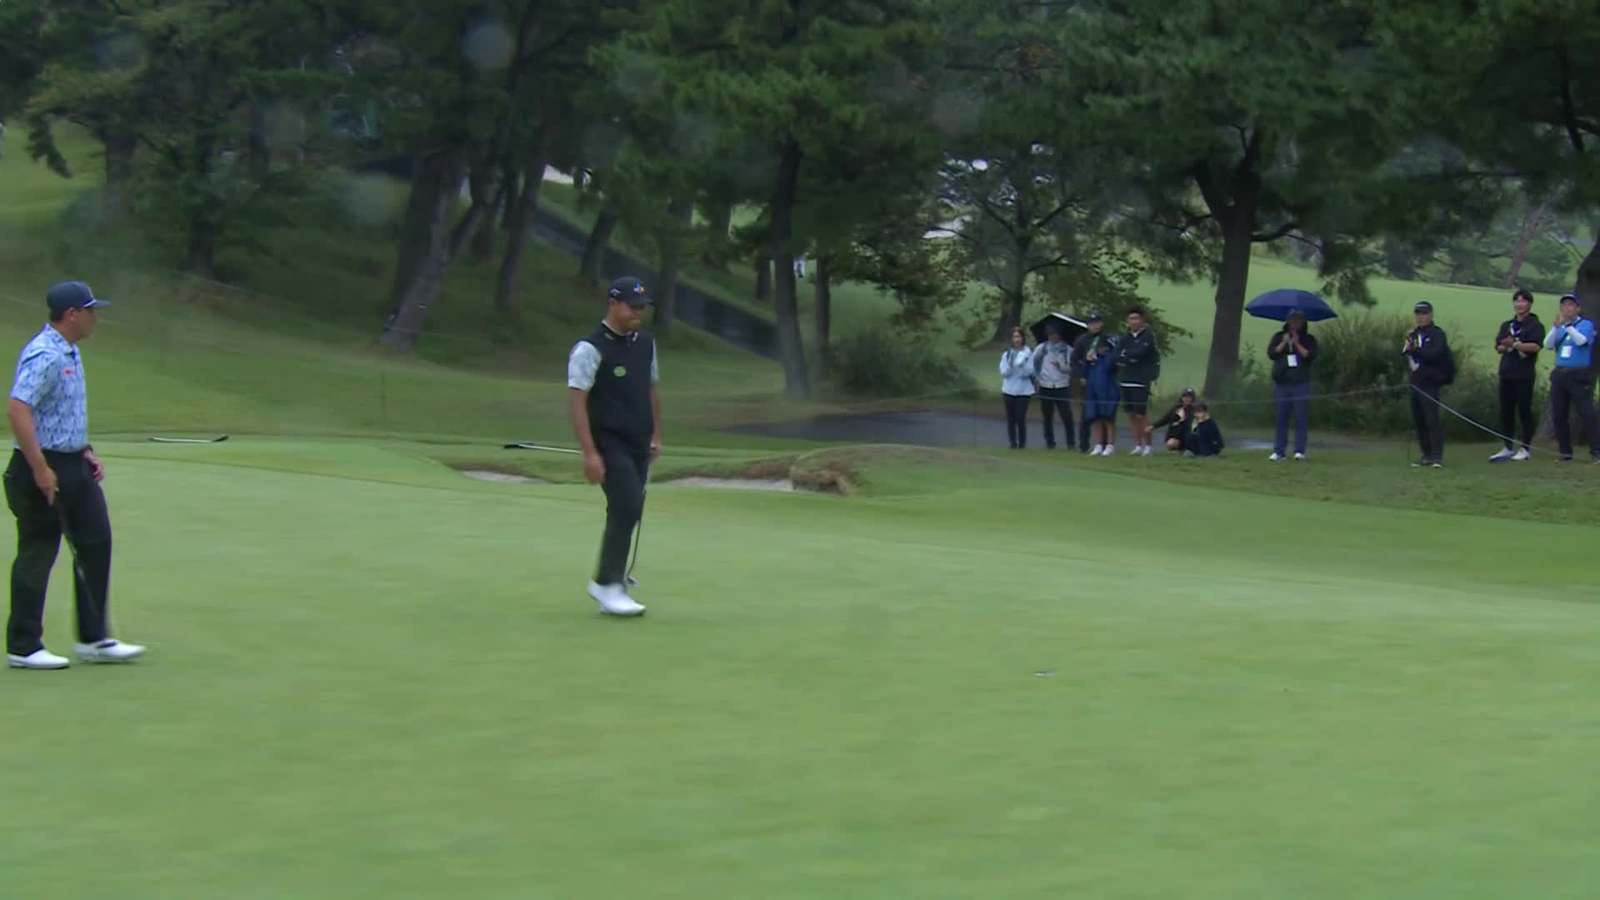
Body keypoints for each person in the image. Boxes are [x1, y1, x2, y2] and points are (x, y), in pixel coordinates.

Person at [6, 281, 143, 670]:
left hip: (73, 463)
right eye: (90, 310)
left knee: (97, 541)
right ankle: (24, 646)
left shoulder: (71, 351)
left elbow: (58, 413)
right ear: (72, 315)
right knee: (38, 552)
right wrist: (41, 469)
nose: (95, 317)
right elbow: (18, 409)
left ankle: (94, 638)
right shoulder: (45, 354)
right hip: (40, 467)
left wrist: (84, 451)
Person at [568, 276, 662, 617]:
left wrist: (656, 434)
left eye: (643, 307)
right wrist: (589, 453)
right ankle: (607, 584)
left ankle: (612, 581)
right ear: (613, 304)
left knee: (629, 509)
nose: (639, 312)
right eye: (632, 306)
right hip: (608, 440)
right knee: (626, 505)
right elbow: (578, 400)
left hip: (639, 440)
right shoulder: (590, 348)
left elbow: (651, 390)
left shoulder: (646, 344)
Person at [1490, 289, 1545, 461]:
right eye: (1517, 301)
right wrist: (1506, 346)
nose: (1519, 304)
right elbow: (1498, 346)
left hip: (1524, 374)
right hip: (1506, 372)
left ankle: (1525, 447)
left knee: (1524, 410)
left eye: (1523, 301)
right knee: (1506, 411)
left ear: (1529, 304)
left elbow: (1535, 346)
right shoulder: (1507, 325)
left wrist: (1515, 344)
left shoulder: (1535, 325)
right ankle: (1507, 446)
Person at [1543, 292, 1598, 463]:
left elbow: (1581, 341)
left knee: (1586, 413)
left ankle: (1596, 450)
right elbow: (1548, 344)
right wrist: (1555, 327)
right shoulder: (1560, 327)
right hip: (1560, 374)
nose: (1567, 308)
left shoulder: (1586, 325)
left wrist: (1568, 326)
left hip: (1578, 374)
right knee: (1559, 414)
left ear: (1577, 308)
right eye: (1564, 305)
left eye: (1570, 305)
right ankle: (1565, 452)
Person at [1403, 300, 1452, 468]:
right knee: (1419, 420)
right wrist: (1408, 349)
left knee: (1432, 419)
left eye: (1424, 313)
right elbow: (1406, 353)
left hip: (1431, 382)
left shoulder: (1437, 334)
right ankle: (1426, 455)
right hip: (1416, 382)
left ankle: (1437, 456)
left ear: (1430, 315)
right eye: (1418, 314)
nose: (1421, 317)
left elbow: (1434, 355)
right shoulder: (1413, 334)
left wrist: (1415, 350)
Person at [1266, 311, 1319, 461]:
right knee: (1281, 417)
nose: (1295, 323)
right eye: (1292, 320)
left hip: (1300, 384)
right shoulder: (1278, 336)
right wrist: (1284, 342)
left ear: (1303, 322)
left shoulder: (1308, 339)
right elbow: (1272, 354)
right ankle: (1279, 451)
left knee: (1300, 418)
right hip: (1282, 384)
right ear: (1288, 321)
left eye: (1298, 320)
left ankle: (1299, 451)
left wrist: (1296, 343)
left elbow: (1309, 356)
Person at [1115, 307, 1160, 456]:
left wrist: (1127, 356)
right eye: (1131, 319)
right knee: (1131, 414)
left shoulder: (1148, 336)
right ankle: (1138, 444)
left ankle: (1148, 445)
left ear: (1142, 320)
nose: (1133, 321)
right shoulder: (1125, 337)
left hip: (1140, 380)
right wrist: (1127, 357)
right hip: (1126, 379)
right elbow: (1116, 355)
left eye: (1136, 318)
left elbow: (1140, 353)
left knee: (1141, 414)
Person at [1074, 314, 1119, 455]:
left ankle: (1110, 444)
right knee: (1094, 414)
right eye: (1091, 323)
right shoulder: (1082, 340)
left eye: (1097, 323)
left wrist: (1103, 357)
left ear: (1101, 324)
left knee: (1108, 414)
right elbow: (1075, 360)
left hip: (1106, 380)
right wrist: (1082, 372)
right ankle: (1098, 444)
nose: (1094, 326)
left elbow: (1116, 358)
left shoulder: (1109, 339)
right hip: (1091, 380)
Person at [1031, 324, 1075, 450]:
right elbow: (1033, 364)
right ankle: (1050, 442)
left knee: (1066, 415)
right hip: (1046, 385)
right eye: (1050, 334)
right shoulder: (1042, 348)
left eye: (1055, 334)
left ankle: (1070, 442)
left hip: (1062, 385)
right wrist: (1037, 379)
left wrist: (1061, 367)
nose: (1052, 337)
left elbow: (1072, 368)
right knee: (1047, 416)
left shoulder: (1067, 349)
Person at [999, 326, 1035, 449]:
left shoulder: (1028, 353)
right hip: (1009, 390)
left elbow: (1029, 373)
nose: (1017, 339)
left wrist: (1022, 365)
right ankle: (1012, 442)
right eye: (1014, 337)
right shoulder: (1007, 354)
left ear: (1022, 338)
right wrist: (1011, 364)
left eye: (1019, 336)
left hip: (1024, 391)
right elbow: (1004, 373)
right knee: (1011, 418)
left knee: (1020, 417)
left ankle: (1022, 443)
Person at [1150, 388, 1197, 452]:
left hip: (1188, 435)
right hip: (1176, 435)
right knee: (1170, 444)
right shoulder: (1176, 408)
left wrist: (1184, 419)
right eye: (1185, 396)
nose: (1187, 399)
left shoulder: (1195, 410)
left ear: (1192, 398)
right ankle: (1180, 448)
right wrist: (1153, 426)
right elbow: (1165, 419)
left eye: (1189, 397)